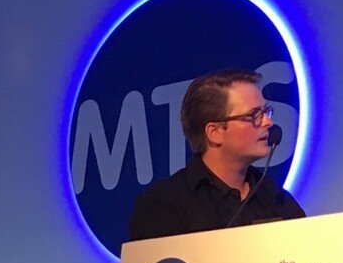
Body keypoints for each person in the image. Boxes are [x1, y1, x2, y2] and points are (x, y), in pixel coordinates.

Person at [126, 70, 305, 242]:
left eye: (266, 112)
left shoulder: (277, 198)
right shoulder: (164, 204)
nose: (268, 122)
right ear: (215, 132)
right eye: (254, 115)